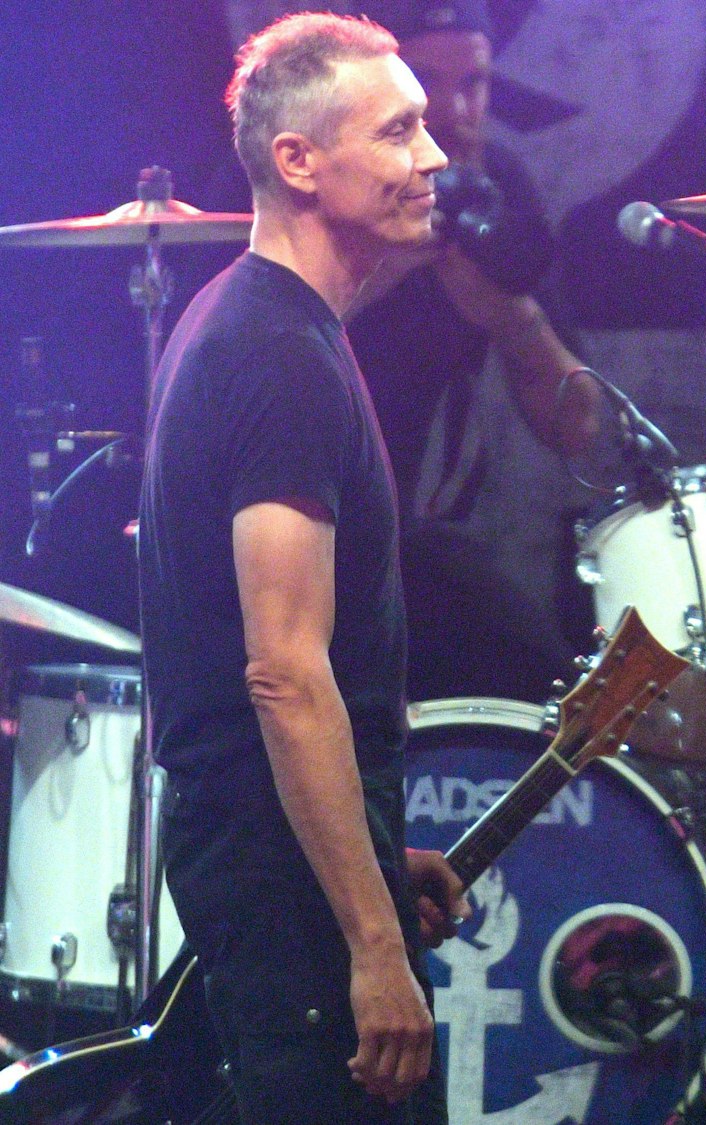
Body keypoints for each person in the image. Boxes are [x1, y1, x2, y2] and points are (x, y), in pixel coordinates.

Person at [139, 13, 469, 1122]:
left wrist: (373, 858)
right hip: (281, 891)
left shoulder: (270, 329)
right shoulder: (276, 355)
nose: (434, 157)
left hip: (283, 867)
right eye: (398, 131)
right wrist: (370, 939)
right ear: (298, 160)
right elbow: (282, 674)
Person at [346, 0, 603, 704]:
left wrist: (512, 318)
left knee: (549, 695)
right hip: (292, 522)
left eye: (475, 84)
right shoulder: (314, 178)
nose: (454, 113)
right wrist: (384, 266)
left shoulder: (492, 186)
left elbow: (578, 425)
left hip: (406, 538)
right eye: (424, 84)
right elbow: (239, 351)